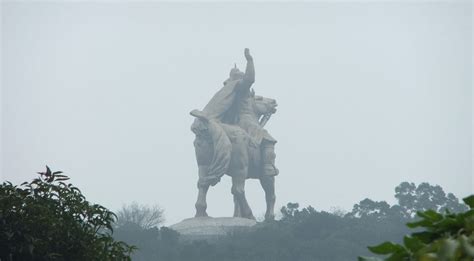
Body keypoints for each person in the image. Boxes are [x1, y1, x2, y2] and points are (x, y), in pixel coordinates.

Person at [191, 48, 278, 177]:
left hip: (232, 123)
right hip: (246, 122)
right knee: (267, 138)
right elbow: (250, 79)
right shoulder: (241, 88)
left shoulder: (228, 91)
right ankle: (268, 166)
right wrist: (250, 61)